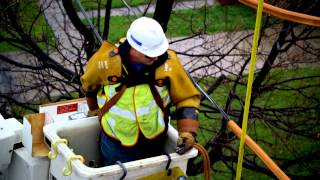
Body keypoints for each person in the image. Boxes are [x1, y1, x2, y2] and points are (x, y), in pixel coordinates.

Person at [80, 17, 200, 166]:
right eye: (149, 55)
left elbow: (186, 98)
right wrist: (93, 109)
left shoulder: (169, 64)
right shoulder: (105, 62)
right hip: (116, 141)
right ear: (133, 49)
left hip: (154, 139)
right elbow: (88, 86)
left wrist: (188, 131)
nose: (156, 58)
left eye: (158, 52)